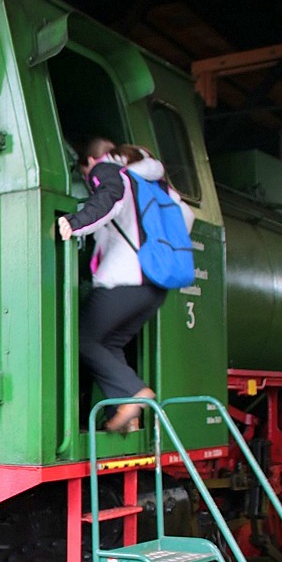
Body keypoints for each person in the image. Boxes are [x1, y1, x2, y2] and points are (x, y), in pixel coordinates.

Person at [58, 137, 194, 433]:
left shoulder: (108, 170)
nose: (89, 179)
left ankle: (135, 394)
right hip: (155, 284)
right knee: (111, 343)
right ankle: (128, 413)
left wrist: (75, 222)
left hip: (124, 278)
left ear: (93, 162)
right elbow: (186, 216)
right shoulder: (158, 185)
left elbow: (108, 200)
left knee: (82, 337)